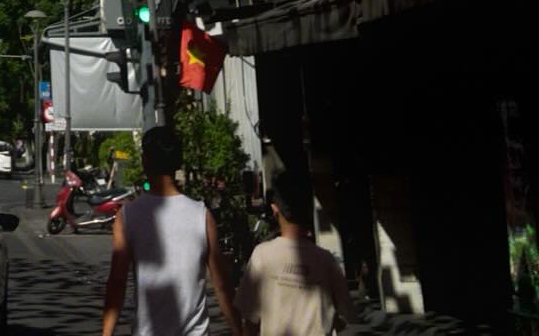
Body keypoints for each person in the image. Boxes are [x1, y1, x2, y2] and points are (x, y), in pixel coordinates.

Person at [101, 125, 242, 336]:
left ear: (145, 161)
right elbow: (221, 285)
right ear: (178, 163)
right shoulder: (201, 216)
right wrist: (239, 330)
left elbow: (117, 283)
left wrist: (107, 333)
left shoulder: (128, 216)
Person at [236, 176, 356, 335]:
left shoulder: (262, 255)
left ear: (274, 209)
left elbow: (250, 321)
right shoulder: (326, 260)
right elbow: (345, 316)